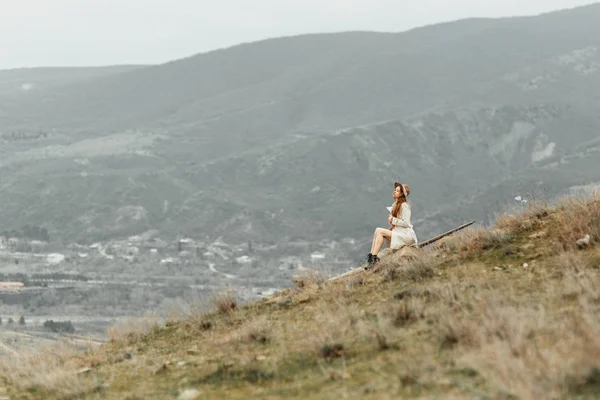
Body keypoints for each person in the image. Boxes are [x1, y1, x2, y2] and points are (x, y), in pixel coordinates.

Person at [367, 181, 418, 266]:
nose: (394, 191)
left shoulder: (404, 205)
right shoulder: (396, 205)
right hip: (400, 233)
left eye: (397, 191)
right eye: (395, 190)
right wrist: (391, 226)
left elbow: (406, 223)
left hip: (406, 235)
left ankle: (374, 259)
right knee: (377, 231)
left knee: (379, 230)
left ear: (402, 194)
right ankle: (371, 258)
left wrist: (393, 219)